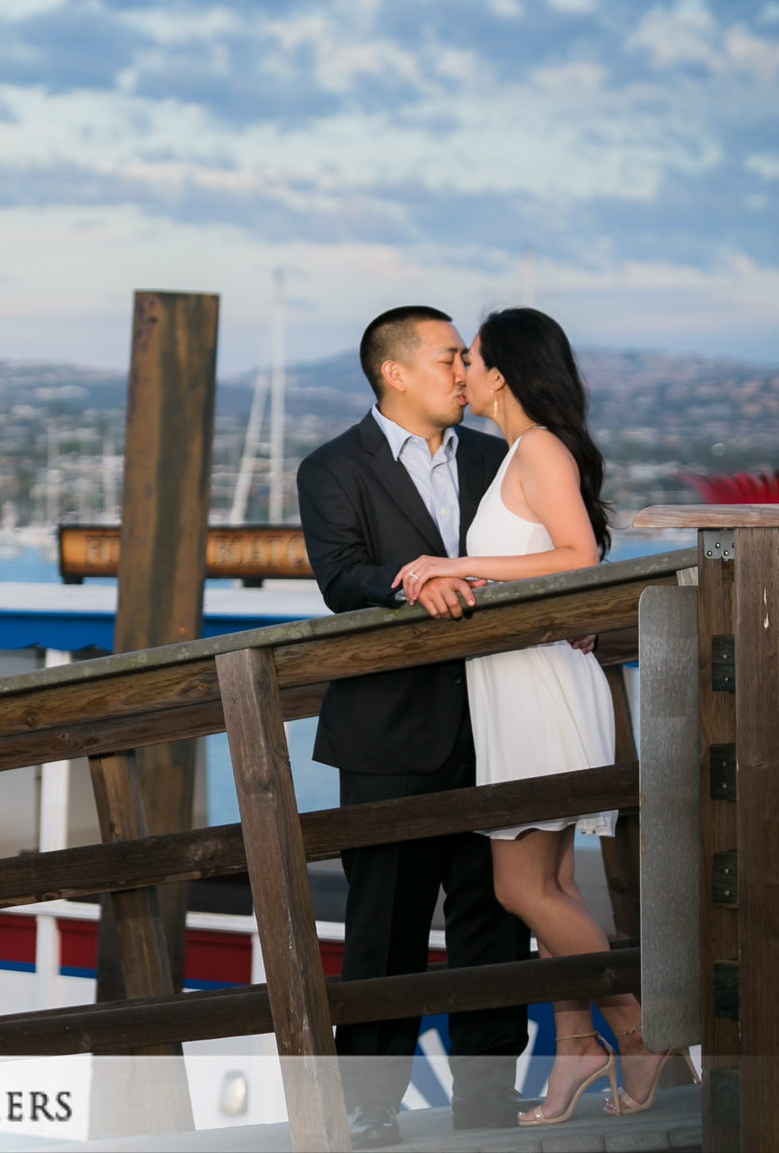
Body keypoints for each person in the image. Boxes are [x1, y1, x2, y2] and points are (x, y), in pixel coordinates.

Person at [393, 308, 694, 1125]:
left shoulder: (540, 450)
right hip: (519, 685)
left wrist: (453, 565)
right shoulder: (518, 455)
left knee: (522, 887)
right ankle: (576, 1050)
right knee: (552, 884)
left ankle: (633, 1032)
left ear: (503, 373)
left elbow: (577, 559)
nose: (461, 372)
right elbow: (553, 561)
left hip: (540, 690)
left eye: (472, 359)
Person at [296, 306, 534, 1148]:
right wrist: (409, 585)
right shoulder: (331, 468)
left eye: (466, 357)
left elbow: (537, 553)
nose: (466, 371)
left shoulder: (497, 457)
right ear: (395, 372)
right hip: (389, 733)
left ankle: (489, 1103)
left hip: (499, 716)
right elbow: (339, 576)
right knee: (384, 930)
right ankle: (367, 1110)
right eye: (450, 357)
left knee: (496, 922)